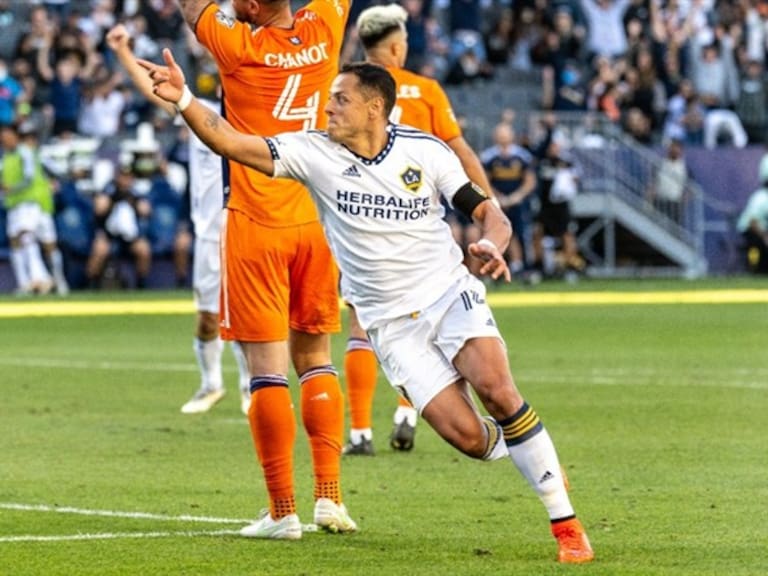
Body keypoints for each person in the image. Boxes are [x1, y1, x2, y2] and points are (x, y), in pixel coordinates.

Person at [143, 50, 595, 564]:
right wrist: (182, 97)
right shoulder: (312, 153)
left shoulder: (424, 152)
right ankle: (532, 452)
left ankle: (567, 526)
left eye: (340, 100)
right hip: (389, 325)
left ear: (375, 108)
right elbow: (228, 140)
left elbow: (490, 212)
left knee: (496, 387)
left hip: (447, 293)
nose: (328, 108)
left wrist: (492, 242)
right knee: (470, 439)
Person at [173, 0, 355, 539]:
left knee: (268, 371)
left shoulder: (239, 46)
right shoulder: (326, 24)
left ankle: (282, 512)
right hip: (318, 219)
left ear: (250, 7)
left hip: (257, 221)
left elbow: (191, 6)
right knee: (318, 359)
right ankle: (329, 498)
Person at [340, 2, 497, 457]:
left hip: (363, 226)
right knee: (429, 323)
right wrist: (488, 204)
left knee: (360, 324)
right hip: (420, 230)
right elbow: (458, 149)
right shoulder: (424, 90)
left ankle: (360, 433)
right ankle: (408, 411)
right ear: (395, 45)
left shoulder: (345, 91)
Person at [106, 23, 251, 416]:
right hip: (208, 234)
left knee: (248, 318)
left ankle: (250, 389)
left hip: (248, 228)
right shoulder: (199, 113)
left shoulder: (257, 118)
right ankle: (210, 385)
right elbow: (154, 91)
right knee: (207, 318)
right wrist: (122, 52)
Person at [0, 122, 65, 295]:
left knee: (30, 238)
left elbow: (40, 175)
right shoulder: (8, 157)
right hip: (16, 204)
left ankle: (50, 280)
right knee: (19, 241)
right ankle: (28, 282)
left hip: (33, 204)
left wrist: (53, 184)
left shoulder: (29, 154)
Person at [481, 121, 537, 278]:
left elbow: (530, 181)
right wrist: (497, 197)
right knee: (497, 233)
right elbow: (484, 181)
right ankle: (497, 268)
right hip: (498, 202)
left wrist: (516, 197)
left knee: (522, 233)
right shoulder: (489, 157)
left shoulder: (522, 156)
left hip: (519, 202)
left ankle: (525, 266)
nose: (503, 138)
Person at [736, 176, 768, 274]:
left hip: (762, 231)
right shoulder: (761, 197)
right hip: (751, 231)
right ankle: (757, 270)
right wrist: (765, 237)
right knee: (758, 245)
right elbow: (752, 221)